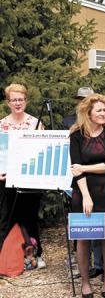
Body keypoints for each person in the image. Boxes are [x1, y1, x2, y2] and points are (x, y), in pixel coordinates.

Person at [69, 94, 105, 298]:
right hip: (82, 193)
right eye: (99, 110)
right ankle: (86, 284)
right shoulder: (76, 135)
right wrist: (86, 197)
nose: (103, 113)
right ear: (88, 112)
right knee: (83, 239)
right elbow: (75, 169)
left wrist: (86, 167)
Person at [0, 83, 45, 268]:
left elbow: (41, 151)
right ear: (8, 102)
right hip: (7, 179)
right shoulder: (1, 125)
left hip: (29, 179)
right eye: (14, 100)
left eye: (21, 99)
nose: (17, 103)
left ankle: (36, 254)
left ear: (26, 101)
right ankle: (4, 257)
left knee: (30, 217)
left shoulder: (36, 123)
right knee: (5, 218)